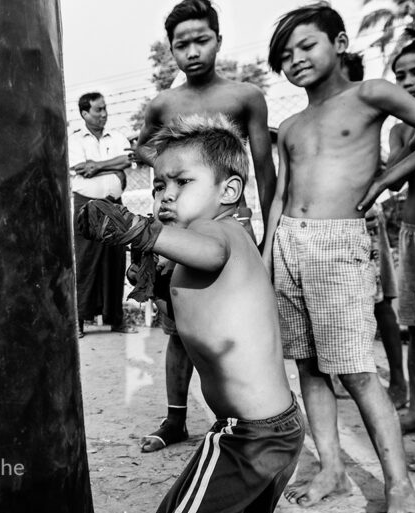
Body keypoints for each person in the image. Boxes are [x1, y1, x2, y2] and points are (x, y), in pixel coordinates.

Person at [78, 114, 303, 513]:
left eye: (183, 182)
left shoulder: (223, 233)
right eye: (160, 184)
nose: (165, 194)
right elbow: (194, 309)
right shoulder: (195, 242)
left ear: (229, 190)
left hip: (249, 437)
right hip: (273, 428)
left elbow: (211, 253)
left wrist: (137, 232)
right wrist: (154, 279)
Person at [265, 4, 415, 513]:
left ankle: (399, 482)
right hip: (290, 244)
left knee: (355, 369)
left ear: (340, 40)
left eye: (306, 46)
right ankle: (332, 467)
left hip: (339, 244)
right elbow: (281, 194)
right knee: (306, 365)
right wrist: (268, 257)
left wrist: (386, 177)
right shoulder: (289, 125)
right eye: (286, 56)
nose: (296, 60)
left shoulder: (371, 93)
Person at [132, 0, 277, 453]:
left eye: (201, 40)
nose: (192, 51)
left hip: (233, 224)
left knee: (235, 324)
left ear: (218, 40)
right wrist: (172, 185)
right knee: (179, 327)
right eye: (181, 44)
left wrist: (269, 240)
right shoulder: (164, 104)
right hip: (179, 230)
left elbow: (262, 169)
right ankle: (176, 419)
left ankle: (243, 419)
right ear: (170, 51)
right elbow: (143, 151)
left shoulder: (244, 97)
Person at [332, 51, 407, 408]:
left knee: (381, 308)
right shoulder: (391, 127)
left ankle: (398, 381)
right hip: (334, 224)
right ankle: (347, 372)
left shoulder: (373, 113)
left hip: (366, 220)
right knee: (340, 303)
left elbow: (384, 177)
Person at [68, 92, 137, 338]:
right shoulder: (76, 140)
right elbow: (79, 168)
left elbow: (129, 159)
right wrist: (113, 165)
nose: (104, 113)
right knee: (87, 260)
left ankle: (115, 319)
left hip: (114, 204)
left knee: (115, 260)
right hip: (87, 204)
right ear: (85, 113)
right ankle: (79, 321)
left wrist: (97, 165)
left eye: (105, 108)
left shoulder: (117, 136)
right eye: (98, 110)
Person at [381, 40, 415, 430]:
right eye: (401, 75)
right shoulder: (399, 128)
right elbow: (394, 179)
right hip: (411, 233)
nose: (408, 81)